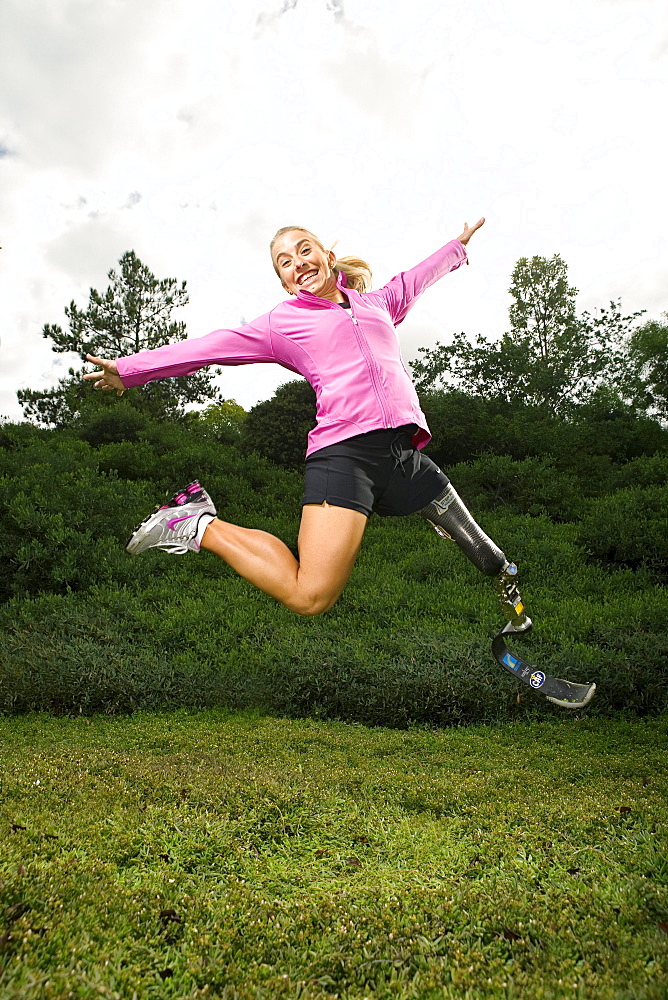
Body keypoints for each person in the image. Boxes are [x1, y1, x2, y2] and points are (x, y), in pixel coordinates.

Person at [83, 219, 530, 629]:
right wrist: (129, 369)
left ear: (327, 257)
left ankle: (513, 605)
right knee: (310, 595)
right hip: (345, 455)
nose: (298, 263)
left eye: (304, 250)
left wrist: (457, 247)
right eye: (285, 262)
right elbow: (209, 347)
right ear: (284, 280)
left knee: (480, 546)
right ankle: (199, 524)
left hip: (402, 454)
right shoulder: (283, 323)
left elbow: (416, 278)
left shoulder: (378, 304)